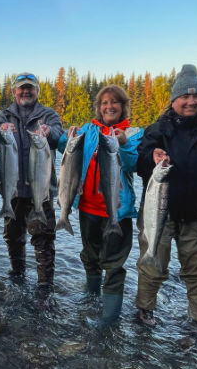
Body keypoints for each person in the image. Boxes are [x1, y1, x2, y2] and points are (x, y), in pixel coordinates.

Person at [135, 64, 197, 328]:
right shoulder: (157, 129)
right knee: (152, 266)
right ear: (173, 100)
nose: (191, 102)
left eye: (196, 96)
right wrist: (150, 157)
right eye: (184, 97)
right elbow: (141, 162)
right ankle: (145, 311)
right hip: (158, 213)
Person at [58, 85, 143, 328]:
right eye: (104, 102)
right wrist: (63, 136)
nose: (109, 106)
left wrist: (124, 143)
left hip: (117, 211)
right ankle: (91, 296)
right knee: (90, 256)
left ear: (123, 106)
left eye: (114, 102)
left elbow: (134, 164)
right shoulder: (89, 130)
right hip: (87, 208)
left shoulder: (135, 133)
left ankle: (109, 317)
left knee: (114, 264)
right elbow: (65, 148)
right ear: (99, 107)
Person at [0, 72, 63, 292]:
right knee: (13, 237)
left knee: (44, 239)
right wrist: (0, 131)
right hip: (11, 191)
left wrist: (50, 132)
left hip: (41, 190)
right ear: (14, 92)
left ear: (37, 91)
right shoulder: (3, 115)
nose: (26, 91)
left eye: (30, 88)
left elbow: (59, 134)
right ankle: (17, 274)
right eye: (21, 88)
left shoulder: (48, 114)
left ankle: (44, 285)